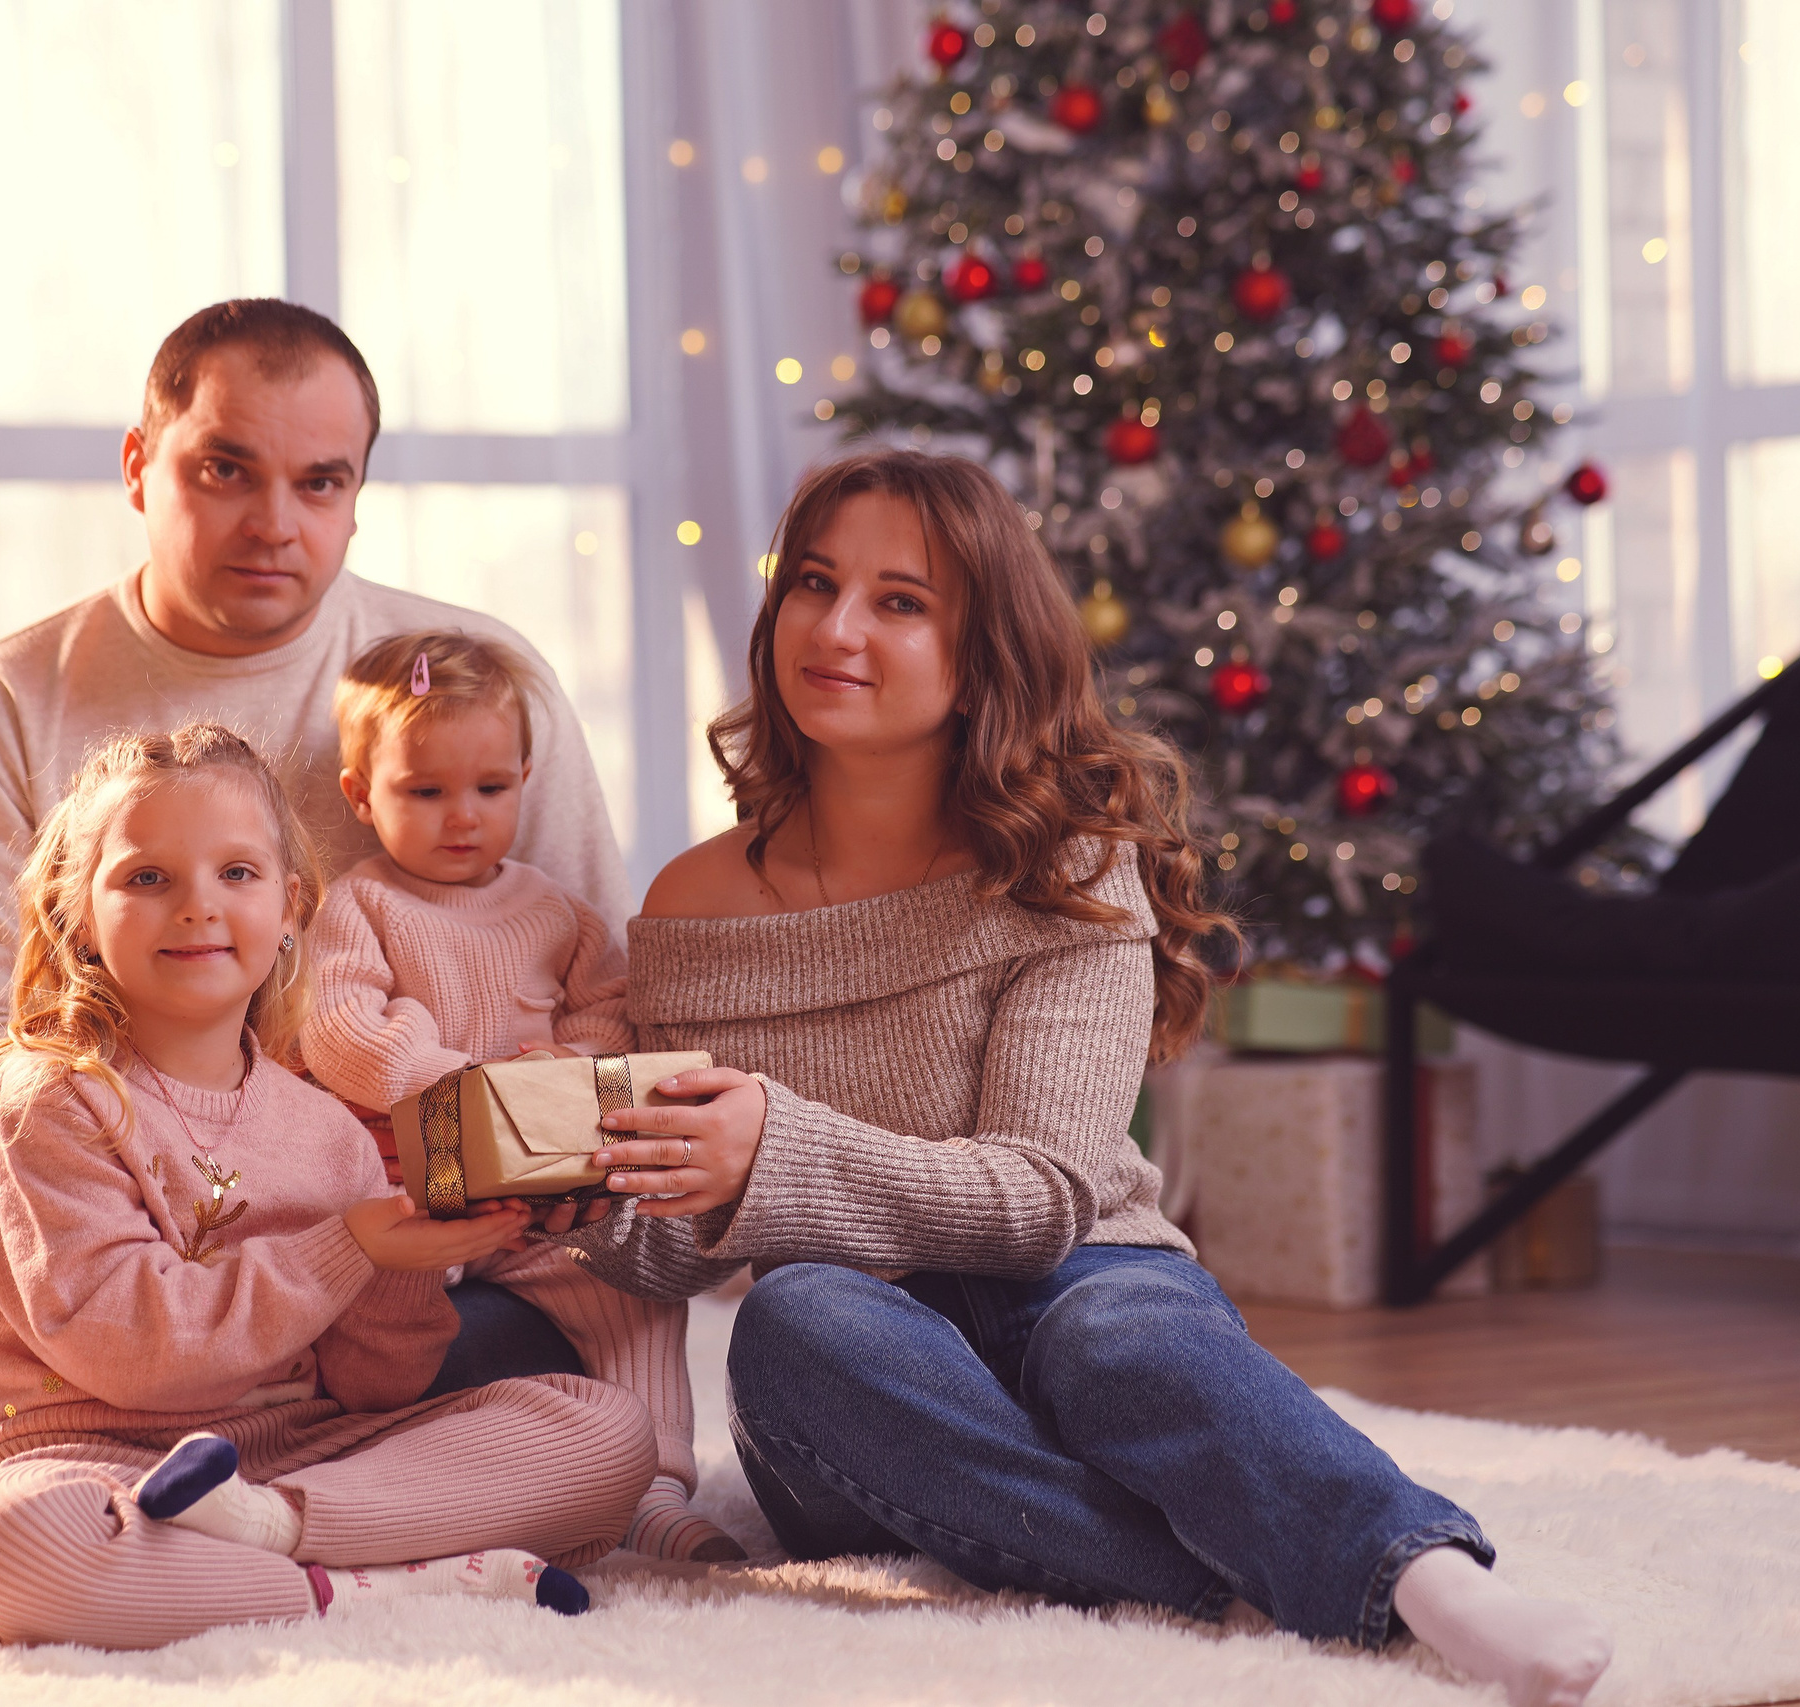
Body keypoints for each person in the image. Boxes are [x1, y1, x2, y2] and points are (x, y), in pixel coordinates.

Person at [546, 451, 1617, 1707]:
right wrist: (597, 1199)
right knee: (794, 1319)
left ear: (984, 649)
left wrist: (770, 1152)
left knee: (1121, 1326)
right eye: (814, 584)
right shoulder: (691, 901)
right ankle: (1222, 1573)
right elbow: (679, 1255)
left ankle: (1435, 1585)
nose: (834, 628)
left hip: (1074, 1272)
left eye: (901, 601)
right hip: (865, 1374)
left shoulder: (1068, 869)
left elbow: (1044, 1197)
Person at [0, 299, 620, 1552]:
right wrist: (134, 1161)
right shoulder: (3, 700)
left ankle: (261, 1517)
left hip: (394, 1216)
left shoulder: (469, 679)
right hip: (98, 1199)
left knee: (564, 1409)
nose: (275, 523)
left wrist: (479, 1172)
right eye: (226, 471)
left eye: (320, 482)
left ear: (357, 495)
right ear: (139, 467)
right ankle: (233, 1487)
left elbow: (588, 975)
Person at [0, 723, 651, 1648]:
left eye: (237, 874)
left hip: (294, 1459)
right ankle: (377, 1587)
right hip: (77, 1453)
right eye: (147, 878)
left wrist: (403, 1261)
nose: (198, 907)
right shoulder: (56, 1099)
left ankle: (271, 1533)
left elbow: (372, 1386)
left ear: (288, 911)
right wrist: (349, 1243)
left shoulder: (324, 1128)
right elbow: (129, 1348)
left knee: (605, 1429)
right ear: (78, 916)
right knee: (13, 1550)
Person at [300, 630, 742, 1563]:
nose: (462, 816)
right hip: (414, 1185)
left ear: (526, 780)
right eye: (425, 791)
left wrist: (570, 1063)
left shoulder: (557, 912)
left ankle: (654, 1483)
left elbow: (613, 1017)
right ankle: (357, 1483)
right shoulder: (361, 904)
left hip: (536, 1193)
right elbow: (336, 1022)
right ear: (360, 795)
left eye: (490, 789)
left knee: (634, 1292)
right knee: (362, 1310)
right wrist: (447, 1075)